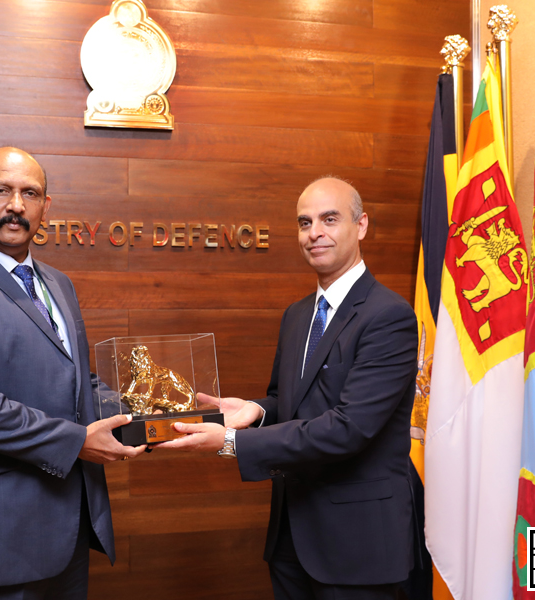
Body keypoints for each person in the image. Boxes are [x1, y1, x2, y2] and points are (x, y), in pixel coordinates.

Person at [158, 177, 418, 599]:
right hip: (291, 537)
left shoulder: (389, 316)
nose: (314, 232)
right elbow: (290, 402)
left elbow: (349, 427)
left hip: (358, 546)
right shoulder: (298, 315)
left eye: (329, 219)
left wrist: (231, 443)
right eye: (304, 222)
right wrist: (256, 412)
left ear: (362, 225)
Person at [0, 147, 145, 600]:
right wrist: (75, 441)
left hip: (69, 529)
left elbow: (77, 384)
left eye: (29, 193)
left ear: (45, 207)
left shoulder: (57, 283)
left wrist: (150, 413)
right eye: (2, 190)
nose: (16, 204)